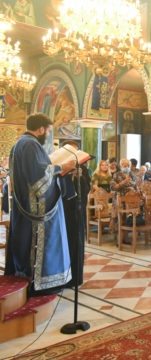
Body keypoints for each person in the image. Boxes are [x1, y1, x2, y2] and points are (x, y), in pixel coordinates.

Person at [5, 113, 76, 295]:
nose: (48, 135)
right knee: (39, 244)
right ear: (41, 129)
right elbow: (39, 180)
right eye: (48, 131)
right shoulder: (31, 145)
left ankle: (25, 278)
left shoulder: (19, 143)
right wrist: (62, 167)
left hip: (24, 206)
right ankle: (40, 283)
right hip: (36, 208)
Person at [61, 140, 91, 289]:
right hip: (63, 212)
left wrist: (79, 177)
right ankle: (62, 277)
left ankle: (76, 277)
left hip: (77, 211)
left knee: (77, 243)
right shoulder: (59, 167)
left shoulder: (82, 168)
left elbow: (86, 189)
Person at [110, 158, 138, 244]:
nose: (127, 167)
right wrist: (123, 182)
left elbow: (136, 185)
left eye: (128, 165)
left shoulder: (132, 174)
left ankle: (126, 238)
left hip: (130, 200)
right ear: (121, 166)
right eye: (125, 165)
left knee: (127, 219)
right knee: (120, 218)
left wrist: (137, 190)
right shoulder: (117, 175)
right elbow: (113, 187)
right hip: (120, 198)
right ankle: (119, 240)